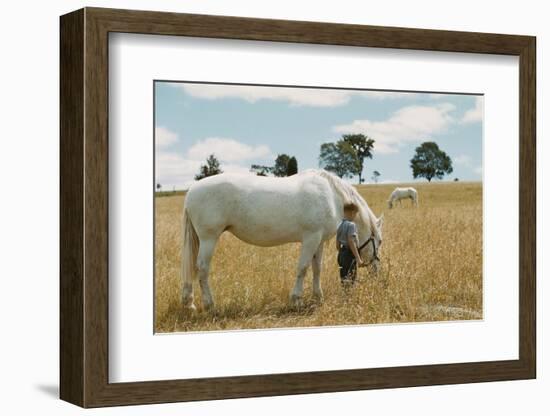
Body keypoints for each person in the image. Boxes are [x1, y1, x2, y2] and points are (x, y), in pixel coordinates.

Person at [336, 202, 365, 285]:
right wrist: (358, 259)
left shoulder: (339, 224)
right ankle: (350, 296)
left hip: (341, 254)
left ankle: (345, 296)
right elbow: (351, 241)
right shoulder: (352, 225)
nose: (355, 216)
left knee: (344, 278)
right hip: (349, 255)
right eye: (355, 214)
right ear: (352, 212)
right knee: (351, 279)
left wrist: (341, 252)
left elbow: (337, 244)